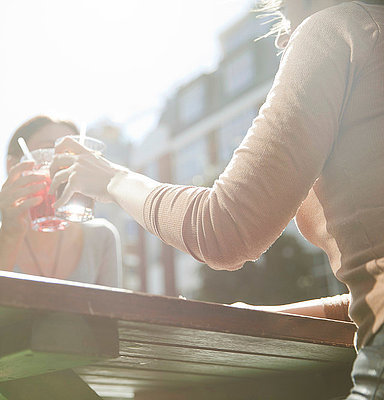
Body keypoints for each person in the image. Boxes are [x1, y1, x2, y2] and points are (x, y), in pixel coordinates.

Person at [49, 1, 384, 398]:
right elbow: (367, 287)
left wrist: (111, 179)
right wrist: (259, 318)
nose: (282, 39)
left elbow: (224, 228)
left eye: (285, 20)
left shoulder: (337, 27)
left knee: (165, 392)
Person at [0, 116, 121, 400]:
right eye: (48, 151)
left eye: (70, 154)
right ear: (13, 167)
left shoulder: (101, 238)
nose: (59, 165)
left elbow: (105, 341)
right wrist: (12, 232)